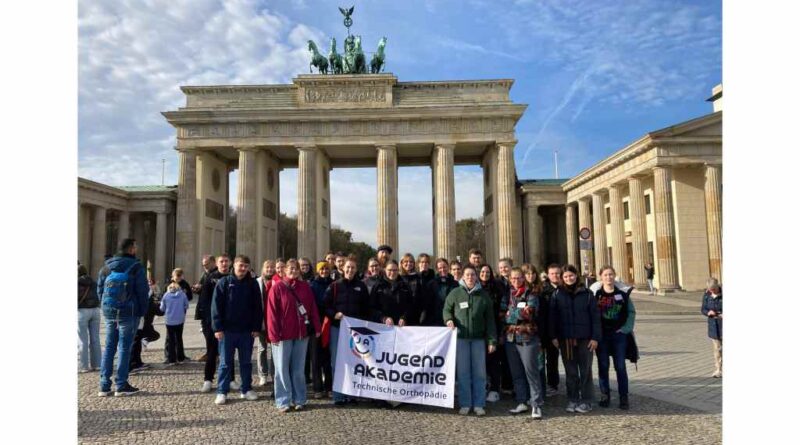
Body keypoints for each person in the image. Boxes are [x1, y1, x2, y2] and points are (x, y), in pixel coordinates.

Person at [96, 238, 149, 397]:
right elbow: (142, 292)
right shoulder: (136, 267)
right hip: (129, 312)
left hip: (110, 311)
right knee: (124, 347)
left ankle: (104, 386)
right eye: (135, 246)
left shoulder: (106, 267)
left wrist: (105, 307)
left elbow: (99, 289)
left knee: (109, 346)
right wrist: (142, 312)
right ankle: (121, 384)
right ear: (131, 249)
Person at [267, 259, 322, 412]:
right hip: (282, 335)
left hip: (301, 334)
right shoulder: (277, 288)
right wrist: (273, 334)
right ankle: (283, 401)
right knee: (281, 369)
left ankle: (300, 398)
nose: (293, 271)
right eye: (291, 268)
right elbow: (271, 313)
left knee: (298, 369)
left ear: (299, 271)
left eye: (296, 269)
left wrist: (317, 327)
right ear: (284, 270)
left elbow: (312, 309)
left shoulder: (305, 287)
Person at [443, 265, 497, 416]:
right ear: (462, 277)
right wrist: (448, 320)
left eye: (473, 275)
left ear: (476, 276)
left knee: (480, 373)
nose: (470, 277)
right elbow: (446, 309)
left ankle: (479, 404)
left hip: (479, 340)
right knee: (463, 373)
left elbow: (490, 320)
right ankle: (465, 403)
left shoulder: (484, 296)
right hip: (461, 339)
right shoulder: (455, 293)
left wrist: (492, 340)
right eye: (467, 275)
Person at [549, 264, 601, 414]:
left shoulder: (587, 294)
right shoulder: (557, 294)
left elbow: (595, 317)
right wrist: (553, 336)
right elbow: (553, 318)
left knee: (586, 370)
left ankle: (586, 400)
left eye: (571, 275)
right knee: (570, 371)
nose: (568, 278)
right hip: (566, 340)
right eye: (565, 276)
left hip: (585, 339)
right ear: (562, 278)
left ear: (576, 276)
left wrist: (595, 338)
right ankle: (572, 399)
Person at [211, 255, 263, 405]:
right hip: (227, 331)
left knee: (246, 362)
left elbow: (257, 308)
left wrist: (256, 327)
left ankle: (246, 389)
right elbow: (216, 307)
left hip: (246, 331)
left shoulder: (252, 284)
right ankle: (222, 391)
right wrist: (218, 328)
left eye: (246, 266)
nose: (243, 269)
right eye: (241, 265)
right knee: (225, 363)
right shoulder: (224, 282)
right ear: (234, 265)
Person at [322, 258, 370, 405]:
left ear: (356, 270)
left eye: (353, 268)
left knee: (355, 361)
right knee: (337, 361)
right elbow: (325, 305)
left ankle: (352, 394)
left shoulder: (361, 287)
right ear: (343, 269)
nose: (350, 270)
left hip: (355, 331)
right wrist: (334, 314)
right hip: (338, 328)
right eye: (348, 267)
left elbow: (366, 308)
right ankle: (338, 395)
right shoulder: (334, 286)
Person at [502, 267, 544, 419]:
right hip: (510, 339)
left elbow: (530, 313)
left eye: (519, 278)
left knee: (531, 373)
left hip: (527, 338)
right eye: (513, 278)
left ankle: (536, 405)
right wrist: (517, 314)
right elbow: (501, 314)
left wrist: (511, 313)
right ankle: (521, 401)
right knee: (517, 373)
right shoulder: (507, 294)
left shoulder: (530, 293)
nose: (516, 280)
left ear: (524, 278)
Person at [594, 266, 636, 410]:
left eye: (611, 274)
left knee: (620, 366)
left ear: (614, 276)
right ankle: (605, 394)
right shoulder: (596, 295)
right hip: (602, 336)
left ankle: (623, 397)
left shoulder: (622, 294)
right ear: (601, 277)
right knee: (603, 366)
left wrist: (626, 329)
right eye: (605, 275)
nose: (608, 277)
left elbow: (631, 312)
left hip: (619, 335)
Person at [197, 255, 237, 393]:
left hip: (230, 322)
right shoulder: (210, 278)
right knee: (211, 351)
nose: (224, 264)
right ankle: (208, 379)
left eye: (227, 261)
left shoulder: (235, 277)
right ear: (217, 263)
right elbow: (204, 301)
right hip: (212, 322)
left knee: (229, 353)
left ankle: (231, 379)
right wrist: (210, 322)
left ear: (230, 263)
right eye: (222, 261)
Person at [478, 264, 504, 403]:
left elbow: (501, 310)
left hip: (493, 328)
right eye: (482, 271)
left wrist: (499, 333)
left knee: (494, 360)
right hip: (479, 330)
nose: (485, 274)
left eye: (487, 272)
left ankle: (495, 389)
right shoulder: (475, 288)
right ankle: (483, 387)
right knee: (481, 361)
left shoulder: (497, 288)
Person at [309, 262, 334, 399]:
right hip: (316, 324)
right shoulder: (312, 285)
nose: (324, 270)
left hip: (330, 322)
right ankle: (317, 387)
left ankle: (329, 386)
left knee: (328, 357)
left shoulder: (334, 284)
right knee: (315, 357)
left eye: (326, 268)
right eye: (322, 269)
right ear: (318, 271)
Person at [129, 277, 162, 374]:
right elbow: (152, 307)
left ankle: (137, 362)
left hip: (139, 320)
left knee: (137, 342)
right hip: (138, 320)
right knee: (135, 342)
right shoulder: (144, 293)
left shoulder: (139, 289)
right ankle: (133, 363)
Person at [539, 264, 562, 396]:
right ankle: (543, 385)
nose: (555, 276)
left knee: (553, 359)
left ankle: (553, 384)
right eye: (552, 273)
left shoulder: (564, 289)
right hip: (545, 330)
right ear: (548, 275)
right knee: (542, 360)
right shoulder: (543, 290)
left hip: (559, 330)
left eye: (557, 273)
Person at [256, 260, 276, 387]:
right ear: (263, 269)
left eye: (271, 267)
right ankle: (262, 374)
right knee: (262, 348)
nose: (269, 269)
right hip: (261, 320)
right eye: (267, 267)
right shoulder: (257, 282)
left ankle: (275, 374)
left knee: (275, 349)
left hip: (274, 321)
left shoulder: (278, 281)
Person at [160, 281, 190, 365]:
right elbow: (187, 305)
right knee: (179, 338)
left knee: (171, 340)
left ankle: (172, 359)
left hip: (169, 320)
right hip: (180, 320)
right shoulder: (183, 295)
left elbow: (162, 308)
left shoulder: (166, 295)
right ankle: (180, 357)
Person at [78, 264, 101, 373]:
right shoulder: (93, 282)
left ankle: (84, 366)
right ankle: (97, 364)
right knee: (95, 338)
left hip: (82, 311)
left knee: (83, 340)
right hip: (96, 310)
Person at [423, 258, 458, 327]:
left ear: (448, 267)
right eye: (440, 268)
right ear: (437, 269)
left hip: (451, 320)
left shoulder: (455, 284)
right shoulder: (431, 284)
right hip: (435, 321)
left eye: (444, 267)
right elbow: (428, 304)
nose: (442, 270)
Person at [701, 278, 723, 378]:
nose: (712, 291)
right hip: (713, 325)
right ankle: (719, 369)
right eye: (710, 290)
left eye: (713, 289)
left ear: (717, 286)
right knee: (717, 349)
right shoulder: (707, 295)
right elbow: (703, 309)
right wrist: (708, 312)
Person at [399, 253, 423, 325]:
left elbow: (422, 297)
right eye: (406, 261)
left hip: (415, 315)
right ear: (402, 263)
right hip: (400, 316)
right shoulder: (397, 278)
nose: (408, 263)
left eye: (411, 261)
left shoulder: (419, 278)